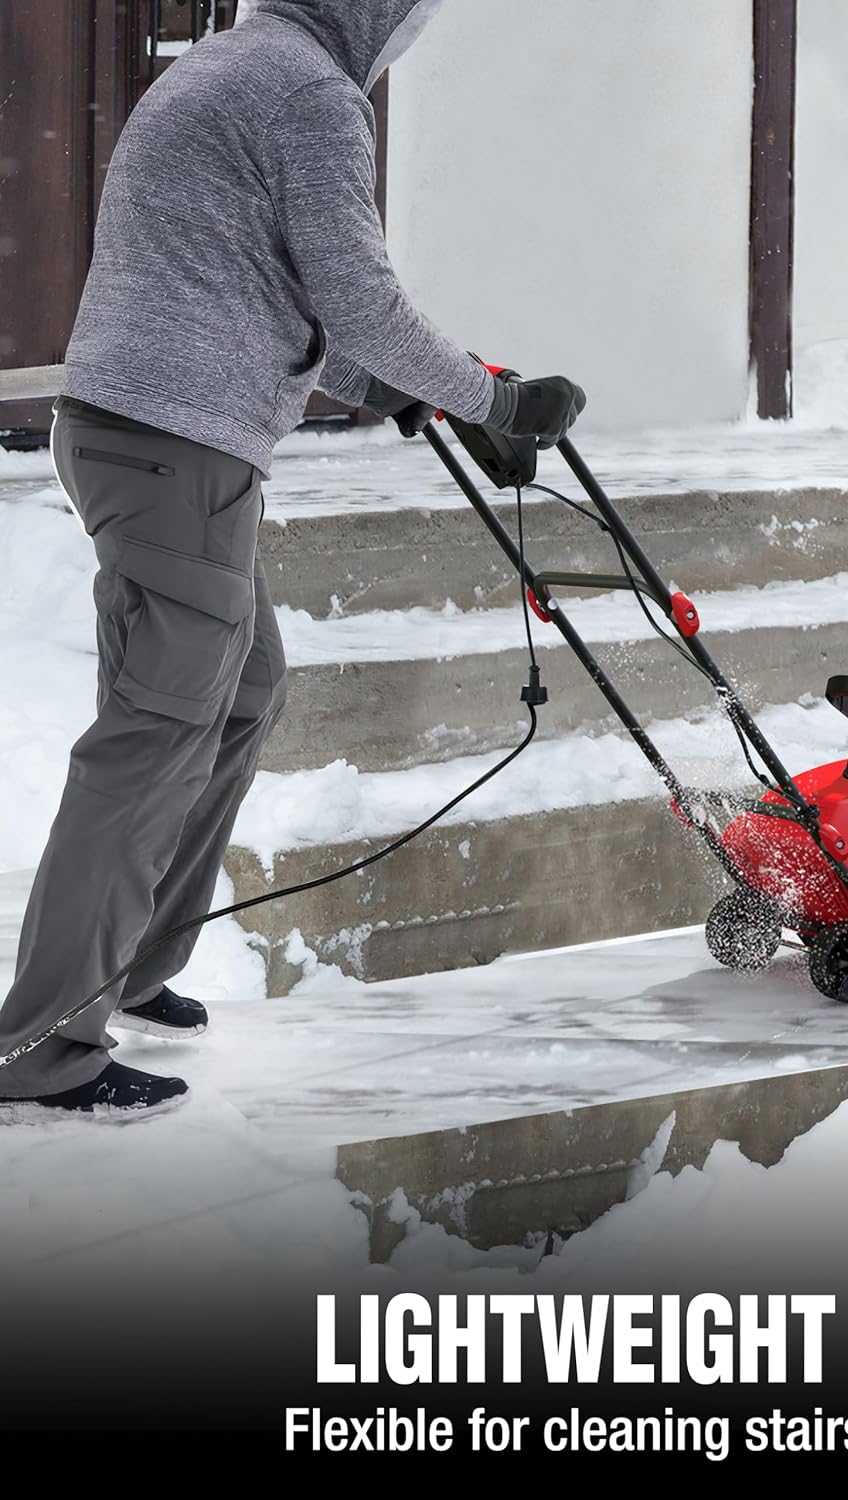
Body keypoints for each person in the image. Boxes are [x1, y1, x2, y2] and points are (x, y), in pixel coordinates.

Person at [0, 0, 585, 1115]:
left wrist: (420, 398)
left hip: (151, 437)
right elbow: (358, 299)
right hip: (174, 448)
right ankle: (42, 1044)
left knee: (239, 691)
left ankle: (128, 965)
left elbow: (275, 289)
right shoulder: (312, 92)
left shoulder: (241, 64)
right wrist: (500, 400)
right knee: (154, 729)